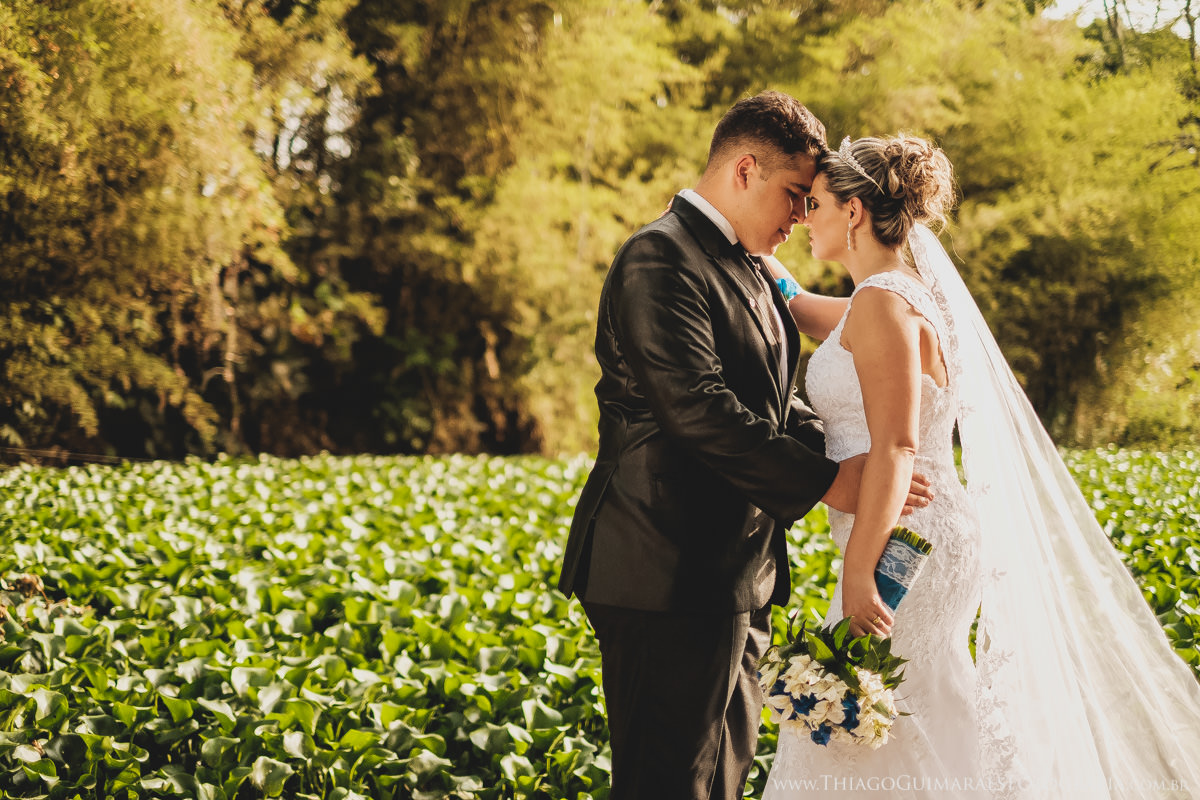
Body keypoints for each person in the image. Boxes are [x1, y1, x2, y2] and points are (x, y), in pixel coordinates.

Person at [762, 134, 1200, 798]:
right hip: (927, 533)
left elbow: (897, 446)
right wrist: (750, 247)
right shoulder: (900, 296)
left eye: (815, 203)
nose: (802, 218)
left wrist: (857, 572)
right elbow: (802, 308)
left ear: (854, 212)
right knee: (915, 710)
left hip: (900, 544)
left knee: (865, 726)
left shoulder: (880, 303)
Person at [557, 92, 934, 800]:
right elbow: (699, 408)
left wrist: (842, 459)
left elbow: (779, 399)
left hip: (737, 574)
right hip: (664, 569)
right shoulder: (658, 257)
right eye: (794, 194)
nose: (801, 215)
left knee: (721, 783)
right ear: (745, 170)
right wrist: (832, 482)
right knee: (669, 787)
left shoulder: (754, 270)